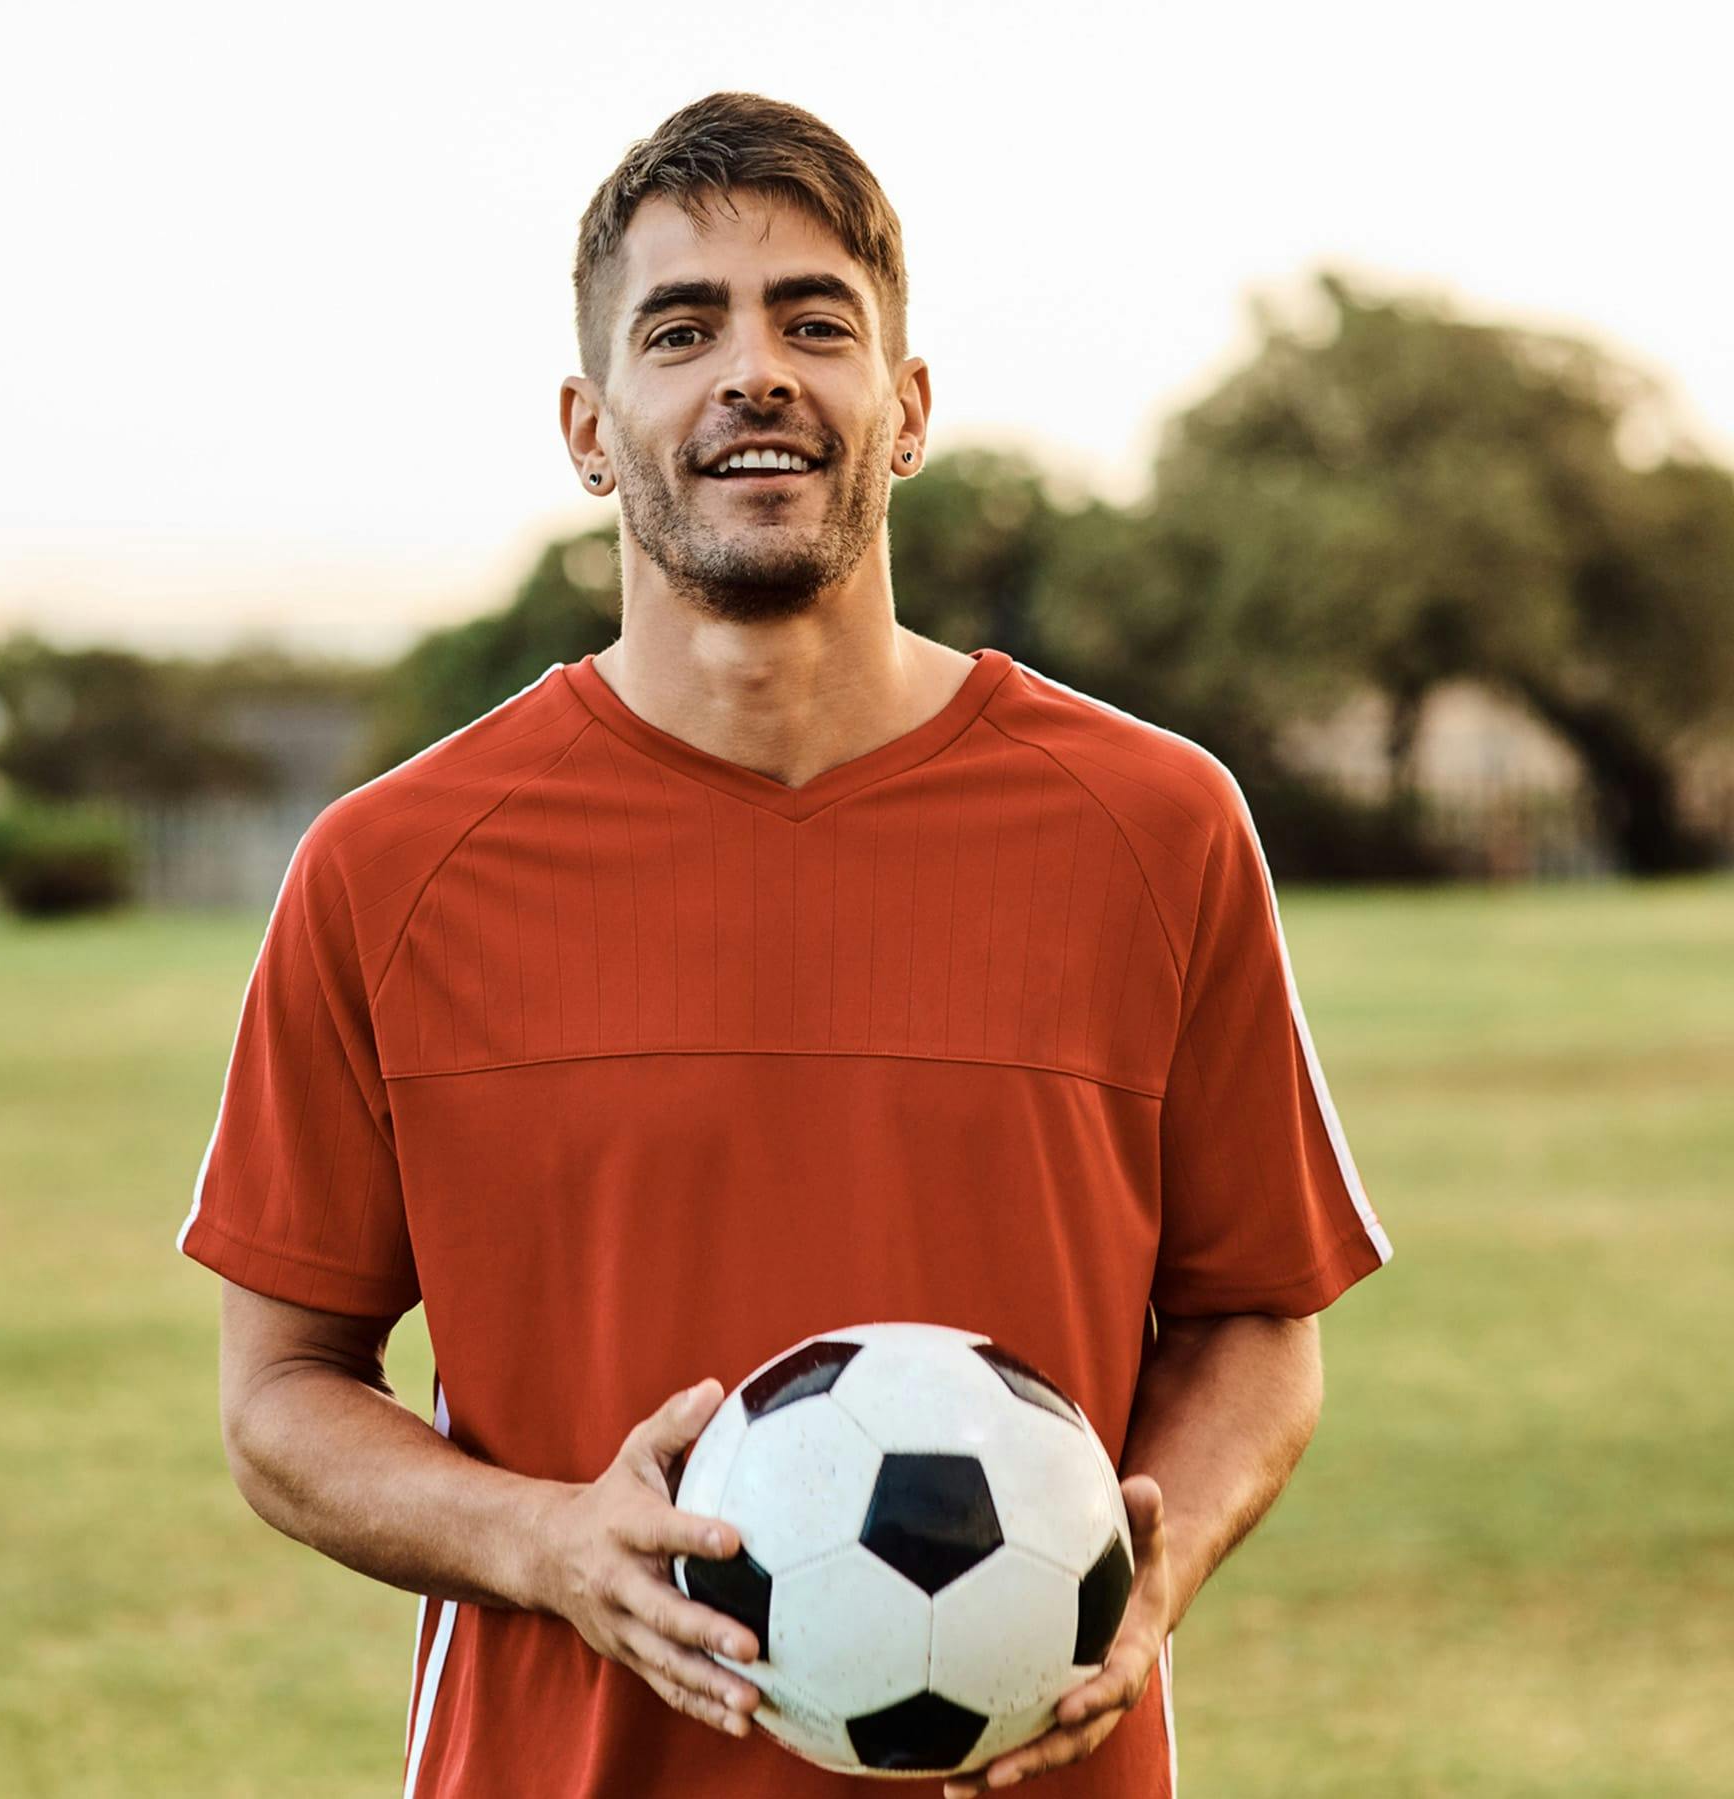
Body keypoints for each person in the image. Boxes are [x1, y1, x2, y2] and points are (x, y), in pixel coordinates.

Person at [175, 90, 1393, 1799]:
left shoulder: (1154, 824)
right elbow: (279, 1398)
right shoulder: (392, 867)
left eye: (814, 321)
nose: (754, 370)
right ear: (590, 428)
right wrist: (548, 1544)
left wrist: (1148, 1570)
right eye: (683, 330)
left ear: (903, 409)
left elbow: (1258, 1320)